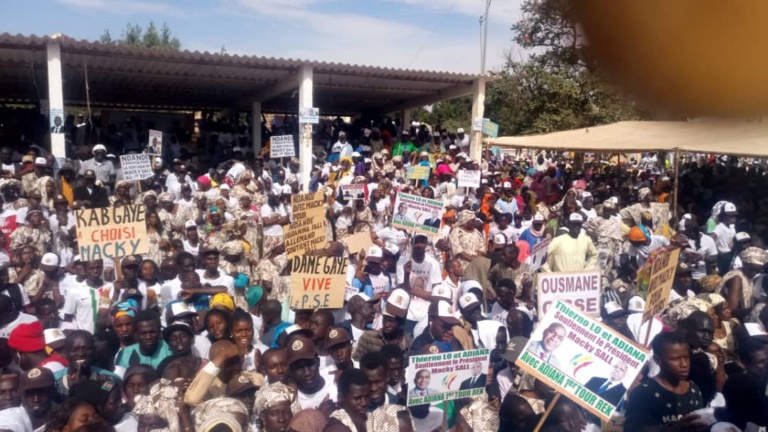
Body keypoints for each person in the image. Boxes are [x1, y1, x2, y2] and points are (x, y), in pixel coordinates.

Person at [624, 331, 704, 432]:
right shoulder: (643, 393)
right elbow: (633, 429)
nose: (683, 364)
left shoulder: (693, 389)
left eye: (686, 357)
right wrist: (673, 429)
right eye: (675, 359)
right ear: (657, 360)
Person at [287, 336, 337, 411]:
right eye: (299, 367)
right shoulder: (290, 401)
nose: (307, 373)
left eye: (310, 364)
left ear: (318, 362)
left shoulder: (336, 384)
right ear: (291, 370)